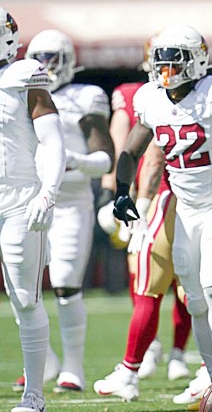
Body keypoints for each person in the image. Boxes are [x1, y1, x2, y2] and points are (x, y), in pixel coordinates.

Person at [99, 25, 212, 407]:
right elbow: (131, 150)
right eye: (161, 60)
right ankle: (210, 373)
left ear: (198, 60)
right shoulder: (151, 99)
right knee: (193, 299)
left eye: (176, 59)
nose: (167, 68)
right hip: (185, 210)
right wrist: (122, 191)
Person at [93, 40, 199, 402]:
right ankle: (190, 363)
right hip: (195, 197)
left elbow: (145, 157)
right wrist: (115, 195)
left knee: (151, 286)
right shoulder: (206, 93)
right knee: (197, 288)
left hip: (163, 198)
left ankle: (141, 366)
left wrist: (132, 200)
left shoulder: (154, 96)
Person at [17, 29, 114, 394]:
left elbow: (105, 158)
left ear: (70, 60)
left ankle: (73, 368)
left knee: (66, 285)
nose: (46, 66)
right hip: (27, 200)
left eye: (53, 58)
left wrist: (70, 161)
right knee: (22, 287)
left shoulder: (85, 96)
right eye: (40, 58)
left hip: (71, 202)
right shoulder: (18, 91)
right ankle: (47, 363)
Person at [0, 7, 67, 412]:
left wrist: (48, 193)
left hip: (19, 202)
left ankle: (34, 396)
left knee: (25, 298)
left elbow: (53, 140)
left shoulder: (24, 75)